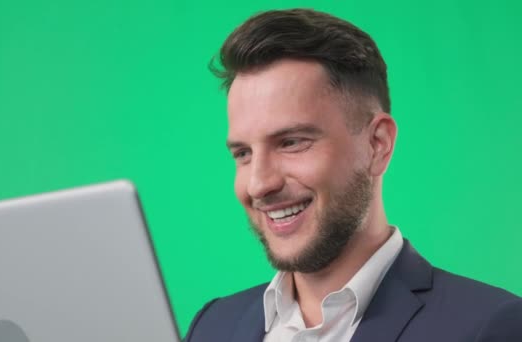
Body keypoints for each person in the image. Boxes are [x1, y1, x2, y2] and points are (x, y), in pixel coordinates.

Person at [184, 8, 522, 342]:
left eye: (291, 142)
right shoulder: (212, 326)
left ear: (377, 144)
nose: (259, 183)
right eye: (243, 153)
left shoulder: (491, 327)